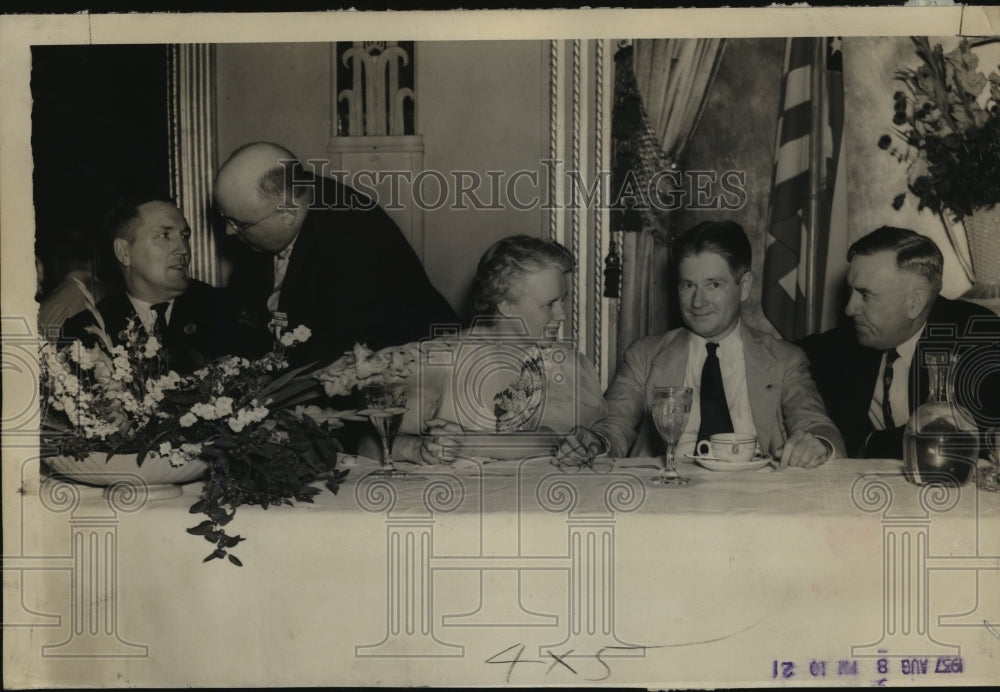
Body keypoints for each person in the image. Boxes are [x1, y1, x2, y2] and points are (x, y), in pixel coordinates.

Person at [558, 220, 845, 469]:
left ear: (744, 287)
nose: (697, 302)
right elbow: (614, 425)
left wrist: (817, 444)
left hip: (756, 502)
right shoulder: (644, 356)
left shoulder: (784, 359)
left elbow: (818, 427)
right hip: (667, 501)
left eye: (713, 285)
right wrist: (595, 442)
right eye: (687, 285)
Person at [214, 141, 459, 368]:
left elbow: (330, 360)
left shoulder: (357, 240)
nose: (228, 232)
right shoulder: (285, 207)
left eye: (239, 224)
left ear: (287, 213)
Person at [393, 235, 607, 465]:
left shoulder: (570, 366)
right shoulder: (443, 359)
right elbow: (371, 443)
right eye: (549, 305)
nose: (561, 315)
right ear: (506, 305)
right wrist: (415, 449)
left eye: (562, 301)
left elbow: (578, 438)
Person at [798, 226, 1000, 459]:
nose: (849, 309)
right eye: (851, 292)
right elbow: (785, 355)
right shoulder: (853, 337)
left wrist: (867, 444)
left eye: (865, 295)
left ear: (915, 303)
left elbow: (964, 435)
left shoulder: (977, 334)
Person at [61, 196, 233, 374]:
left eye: (185, 236)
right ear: (124, 252)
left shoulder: (225, 311)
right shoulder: (84, 334)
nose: (183, 249)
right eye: (164, 236)